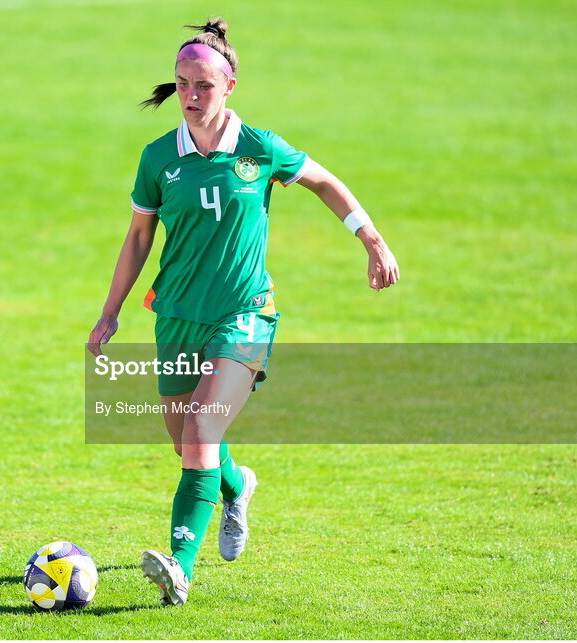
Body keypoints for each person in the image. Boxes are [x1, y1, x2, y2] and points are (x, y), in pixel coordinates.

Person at [86, 17, 400, 607]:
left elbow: (325, 182)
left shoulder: (259, 148)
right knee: (186, 443)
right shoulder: (159, 158)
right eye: (182, 84)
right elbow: (136, 237)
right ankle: (237, 485)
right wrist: (110, 312)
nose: (191, 96)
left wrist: (373, 241)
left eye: (203, 85)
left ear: (230, 85)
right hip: (177, 313)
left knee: (204, 428)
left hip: (245, 313)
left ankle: (178, 568)